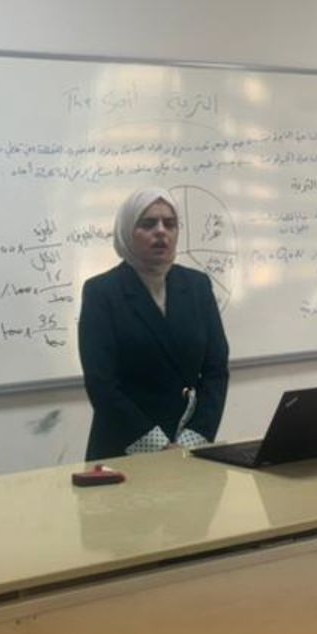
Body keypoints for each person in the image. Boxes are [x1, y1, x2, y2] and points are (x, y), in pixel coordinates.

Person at [77, 188, 229, 460]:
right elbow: (102, 384)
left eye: (169, 224)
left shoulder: (197, 285)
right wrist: (159, 447)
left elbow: (216, 370)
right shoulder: (102, 292)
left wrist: (192, 439)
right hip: (124, 451)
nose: (161, 231)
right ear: (127, 231)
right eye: (148, 224)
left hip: (189, 448)